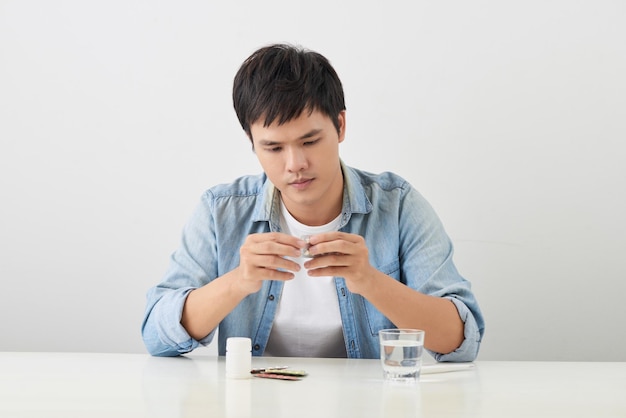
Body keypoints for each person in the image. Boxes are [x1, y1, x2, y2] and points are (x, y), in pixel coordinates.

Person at [141, 43, 485, 361]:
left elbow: (461, 340)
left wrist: (369, 280)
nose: (295, 164)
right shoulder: (221, 211)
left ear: (340, 124)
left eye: (310, 141)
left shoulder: (397, 206)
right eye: (273, 148)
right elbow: (156, 334)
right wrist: (237, 281)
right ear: (252, 142)